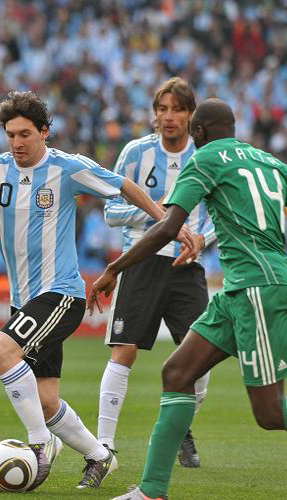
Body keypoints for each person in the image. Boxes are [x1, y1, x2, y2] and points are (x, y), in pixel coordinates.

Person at [88, 98, 287, 500]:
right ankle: (151, 492)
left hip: (257, 288)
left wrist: (114, 268)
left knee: (270, 412)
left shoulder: (203, 160)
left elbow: (168, 228)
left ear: (198, 133)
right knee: (177, 374)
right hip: (240, 289)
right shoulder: (269, 161)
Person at [0, 90, 192, 492]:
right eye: (11, 135)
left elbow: (123, 186)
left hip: (62, 293)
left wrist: (168, 223)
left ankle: (37, 446)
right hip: (25, 300)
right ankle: (101, 457)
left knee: (0, 350)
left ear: (44, 133)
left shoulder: (67, 168)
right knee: (47, 402)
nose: (16, 143)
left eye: (25, 135)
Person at [97, 77, 215, 467]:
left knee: (200, 360)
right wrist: (155, 209)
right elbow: (111, 212)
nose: (168, 117)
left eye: (177, 109)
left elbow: (217, 216)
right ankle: (104, 448)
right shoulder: (135, 153)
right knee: (124, 351)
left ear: (191, 115)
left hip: (187, 266)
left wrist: (201, 240)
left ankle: (177, 431)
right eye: (162, 109)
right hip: (141, 260)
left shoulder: (207, 155)